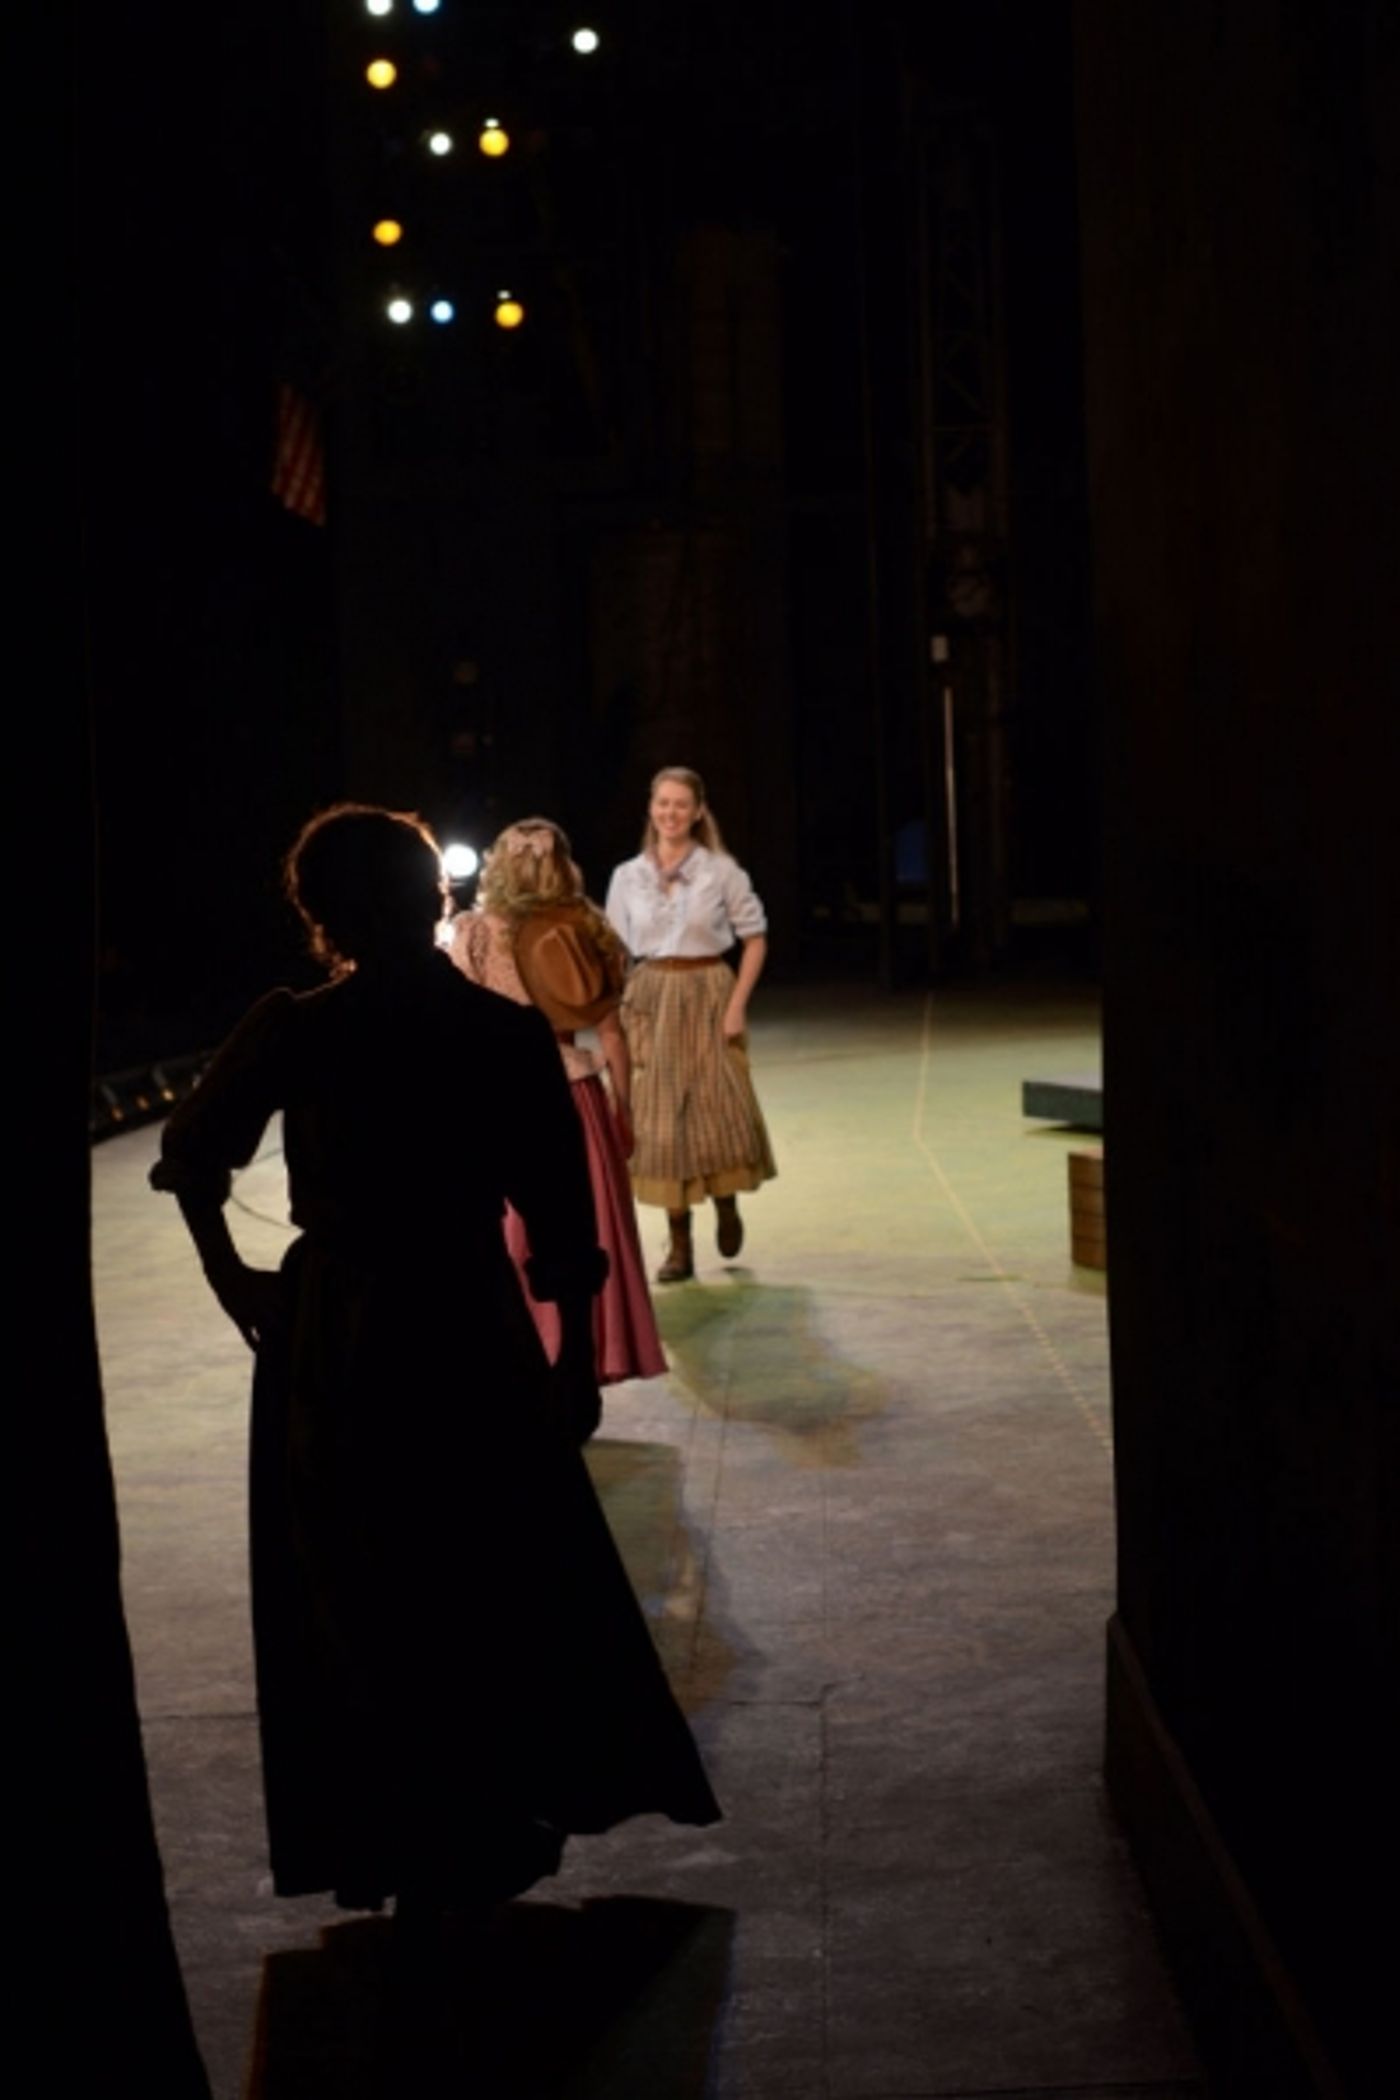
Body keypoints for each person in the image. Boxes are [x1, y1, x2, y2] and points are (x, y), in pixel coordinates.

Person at [149, 803, 720, 1921]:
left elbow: (191, 1158)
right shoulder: (496, 1037)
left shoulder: (294, 1028)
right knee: (485, 1564)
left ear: (320, 915)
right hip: (462, 1318)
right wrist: (562, 1370)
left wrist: (237, 1283)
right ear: (434, 902)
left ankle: (395, 1822)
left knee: (361, 1578)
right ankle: (488, 1814)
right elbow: (558, 1218)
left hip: (342, 1325)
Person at [450, 816, 667, 1389]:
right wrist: (625, 1113)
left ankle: (520, 1354)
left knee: (513, 1230)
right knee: (575, 1228)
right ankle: (580, 1355)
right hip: (573, 1092)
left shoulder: (472, 932)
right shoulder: (579, 928)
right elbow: (612, 1035)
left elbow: (455, 1028)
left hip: (497, 1097)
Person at [605, 765, 777, 1282]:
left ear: (698, 811)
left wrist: (736, 1004)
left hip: (707, 991)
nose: (671, 813)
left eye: (681, 804)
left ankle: (725, 1201)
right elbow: (613, 950)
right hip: (651, 995)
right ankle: (679, 1243)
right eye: (663, 804)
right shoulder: (627, 876)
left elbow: (755, 939)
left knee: (717, 1109)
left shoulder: (721, 871)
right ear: (651, 809)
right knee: (660, 1122)